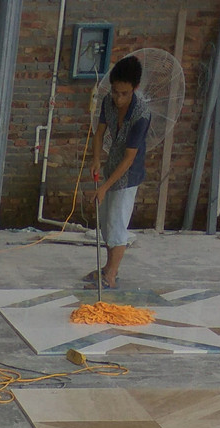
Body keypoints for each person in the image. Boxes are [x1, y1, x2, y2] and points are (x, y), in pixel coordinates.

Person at [87, 55, 150, 290]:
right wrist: (96, 159)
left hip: (129, 173)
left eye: (124, 94)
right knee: (106, 222)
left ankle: (112, 275)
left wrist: (103, 188)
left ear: (135, 88)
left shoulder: (141, 115)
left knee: (117, 223)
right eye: (115, 92)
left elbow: (130, 158)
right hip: (112, 164)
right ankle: (107, 267)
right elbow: (99, 133)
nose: (118, 98)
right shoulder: (108, 101)